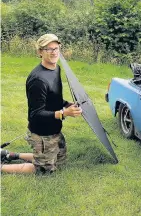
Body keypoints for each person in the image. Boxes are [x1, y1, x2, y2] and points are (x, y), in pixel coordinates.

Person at [1, 34, 82, 174]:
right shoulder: (38, 80)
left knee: (59, 162)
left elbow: (53, 98)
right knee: (44, 170)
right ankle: (2, 168)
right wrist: (63, 113)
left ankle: (9, 155)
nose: (54, 52)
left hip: (54, 128)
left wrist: (67, 104)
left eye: (56, 48)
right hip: (42, 132)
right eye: (48, 49)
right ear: (40, 52)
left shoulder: (56, 69)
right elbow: (36, 114)